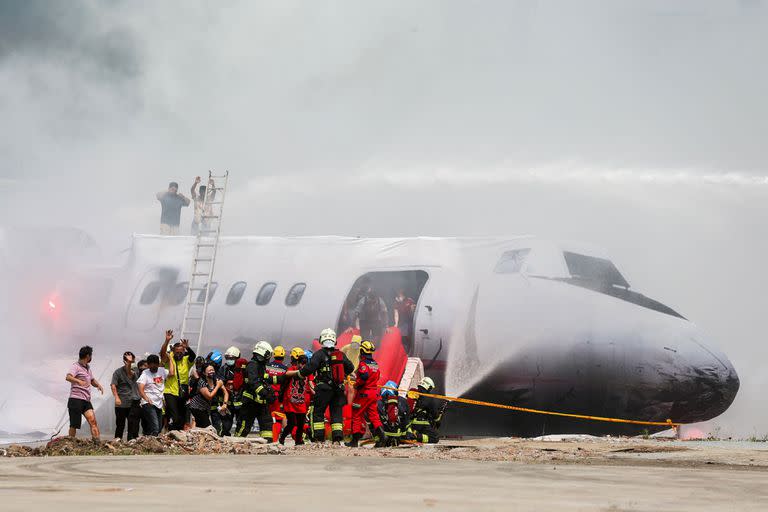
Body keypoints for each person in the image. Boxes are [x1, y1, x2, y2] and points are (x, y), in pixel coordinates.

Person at [286, 328, 354, 444]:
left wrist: (299, 374)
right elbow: (351, 367)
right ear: (334, 340)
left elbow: (310, 367)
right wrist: (342, 375)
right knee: (336, 414)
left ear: (322, 340)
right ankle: (337, 439)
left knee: (318, 413)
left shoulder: (319, 354)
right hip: (338, 389)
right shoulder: (340, 354)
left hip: (323, 389)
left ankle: (319, 439)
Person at [235, 341, 282, 441]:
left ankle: (268, 445)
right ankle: (235, 444)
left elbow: (265, 379)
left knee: (267, 426)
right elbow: (254, 383)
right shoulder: (252, 365)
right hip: (250, 403)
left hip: (261, 403)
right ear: (264, 354)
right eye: (268, 355)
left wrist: (281, 379)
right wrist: (266, 393)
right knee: (244, 427)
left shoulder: (261, 366)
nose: (269, 358)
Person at [348, 341, 385, 447]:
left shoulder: (363, 364)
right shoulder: (375, 364)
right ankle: (382, 436)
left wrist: (356, 383)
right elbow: (376, 377)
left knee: (356, 414)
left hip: (364, 393)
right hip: (374, 393)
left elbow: (364, 377)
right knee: (374, 416)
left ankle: (354, 440)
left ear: (362, 351)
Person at [65, 346, 104, 440]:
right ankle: (70, 442)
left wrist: (98, 385)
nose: (91, 358)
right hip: (76, 399)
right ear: (88, 356)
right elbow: (68, 377)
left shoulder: (87, 368)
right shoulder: (76, 366)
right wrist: (78, 381)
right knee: (74, 425)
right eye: (91, 355)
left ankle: (97, 442)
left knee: (93, 421)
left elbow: (92, 380)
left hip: (86, 400)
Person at [160, 330, 196, 431]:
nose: (179, 354)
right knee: (174, 416)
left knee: (181, 417)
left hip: (183, 392)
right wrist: (167, 341)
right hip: (170, 391)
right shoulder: (169, 359)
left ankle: (178, 435)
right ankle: (171, 432)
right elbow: (162, 354)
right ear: (173, 352)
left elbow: (193, 356)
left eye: (181, 352)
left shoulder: (186, 360)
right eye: (177, 352)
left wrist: (187, 347)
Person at [279, 348, 313, 445]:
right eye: (301, 363)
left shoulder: (308, 372)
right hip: (290, 401)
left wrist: (315, 391)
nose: (303, 365)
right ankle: (282, 438)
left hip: (301, 401)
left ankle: (298, 441)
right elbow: (287, 374)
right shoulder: (293, 368)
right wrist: (298, 372)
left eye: (305, 363)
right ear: (298, 362)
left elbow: (310, 383)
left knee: (301, 424)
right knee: (291, 423)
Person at [137, 354, 172, 436]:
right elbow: (140, 388)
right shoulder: (145, 374)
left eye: (155, 366)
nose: (153, 368)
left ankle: (148, 439)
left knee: (159, 427)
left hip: (159, 404)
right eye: (151, 366)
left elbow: (171, 373)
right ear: (148, 365)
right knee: (155, 427)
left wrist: (170, 359)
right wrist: (146, 398)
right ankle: (152, 445)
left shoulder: (162, 370)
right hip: (148, 403)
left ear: (158, 364)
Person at [110, 351, 141, 441]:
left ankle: (131, 441)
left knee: (132, 423)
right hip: (121, 402)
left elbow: (130, 374)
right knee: (120, 424)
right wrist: (116, 397)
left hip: (133, 402)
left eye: (131, 359)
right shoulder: (117, 372)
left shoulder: (136, 370)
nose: (129, 361)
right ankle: (117, 441)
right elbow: (113, 385)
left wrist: (129, 363)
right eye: (127, 359)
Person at [189, 364, 228, 429]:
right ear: (204, 373)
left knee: (200, 427)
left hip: (205, 408)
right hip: (196, 407)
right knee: (208, 427)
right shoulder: (201, 382)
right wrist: (218, 386)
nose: (212, 372)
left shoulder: (216, 380)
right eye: (209, 370)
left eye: (213, 370)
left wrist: (225, 404)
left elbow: (225, 392)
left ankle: (194, 437)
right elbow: (209, 396)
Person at [407, 377, 445, 444]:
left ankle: (414, 433)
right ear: (428, 387)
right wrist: (438, 421)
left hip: (410, 423)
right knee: (435, 437)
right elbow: (434, 414)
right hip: (420, 423)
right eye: (430, 388)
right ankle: (416, 436)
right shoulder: (428, 397)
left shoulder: (412, 394)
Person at [378, 380, 409, 446]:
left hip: (384, 436)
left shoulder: (378, 403)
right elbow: (406, 418)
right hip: (398, 434)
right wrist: (404, 435)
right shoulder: (402, 401)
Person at [267, 345, 288, 441]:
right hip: (278, 396)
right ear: (283, 356)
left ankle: (269, 436)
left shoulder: (267, 366)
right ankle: (277, 438)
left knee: (269, 416)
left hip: (267, 394)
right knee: (279, 416)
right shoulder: (285, 369)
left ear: (273, 355)